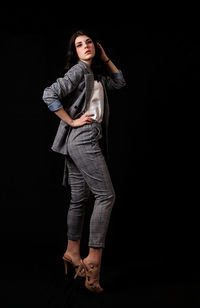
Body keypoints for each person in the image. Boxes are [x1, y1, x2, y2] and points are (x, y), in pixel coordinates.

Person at [42, 29, 126, 293]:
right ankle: (94, 259)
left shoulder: (95, 75)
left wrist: (105, 57)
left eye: (89, 42)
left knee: (79, 198)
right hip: (83, 137)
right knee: (106, 196)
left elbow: (120, 82)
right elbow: (49, 95)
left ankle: (72, 251)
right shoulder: (79, 71)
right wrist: (72, 121)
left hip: (76, 141)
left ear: (95, 46)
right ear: (75, 52)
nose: (86, 46)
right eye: (79, 44)